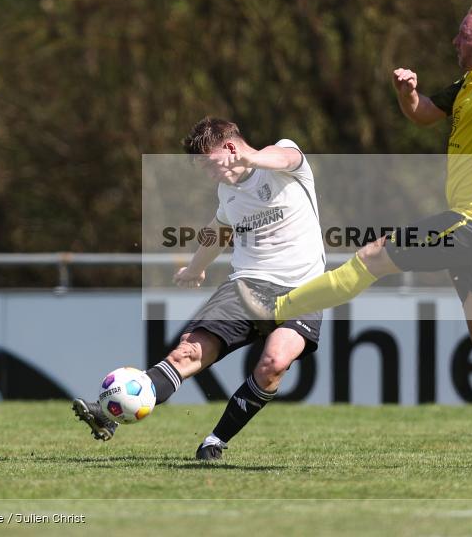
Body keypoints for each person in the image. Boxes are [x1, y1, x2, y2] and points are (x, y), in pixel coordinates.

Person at [237, 0, 472, 450]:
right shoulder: (468, 84)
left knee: (372, 255)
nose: (455, 39)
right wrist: (407, 94)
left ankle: (277, 311)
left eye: (464, 33)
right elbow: (421, 115)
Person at [74, 117, 325, 460]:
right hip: (247, 286)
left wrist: (250, 159)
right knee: (185, 354)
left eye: (210, 164)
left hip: (304, 289)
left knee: (274, 364)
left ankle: (215, 440)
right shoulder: (228, 192)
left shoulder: (284, 157)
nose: (210, 175)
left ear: (232, 148)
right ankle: (107, 415)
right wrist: (196, 268)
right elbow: (219, 229)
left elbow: (281, 158)